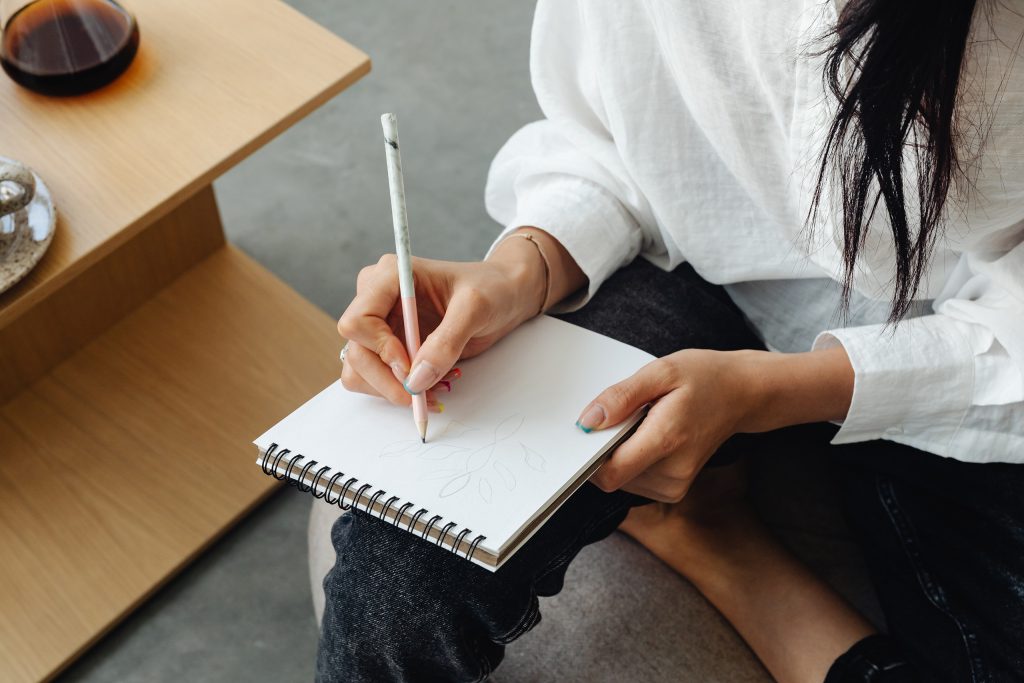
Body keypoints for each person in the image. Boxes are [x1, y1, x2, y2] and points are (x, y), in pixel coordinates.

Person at [318, 1, 1024, 681]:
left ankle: (717, 541)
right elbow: (615, 130)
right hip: (694, 272)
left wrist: (769, 393)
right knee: (400, 568)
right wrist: (526, 264)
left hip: (971, 345)